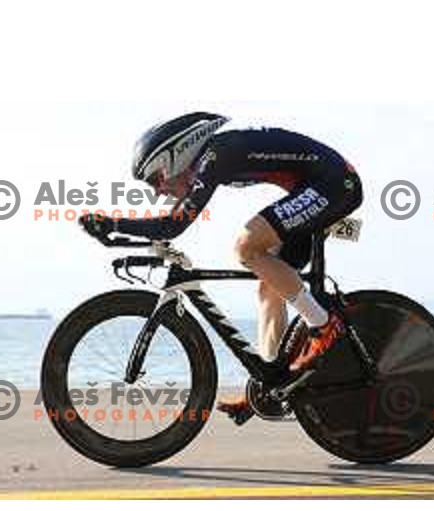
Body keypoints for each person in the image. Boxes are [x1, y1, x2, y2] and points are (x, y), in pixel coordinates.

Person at [88, 112, 363, 418]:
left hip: (336, 183)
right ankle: (272, 385)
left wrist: (113, 222)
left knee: (246, 246)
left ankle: (324, 325)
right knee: (270, 289)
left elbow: (173, 225)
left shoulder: (218, 156)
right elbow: (169, 222)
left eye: (155, 179)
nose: (156, 190)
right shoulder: (212, 159)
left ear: (174, 158)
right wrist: (135, 237)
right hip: (317, 187)